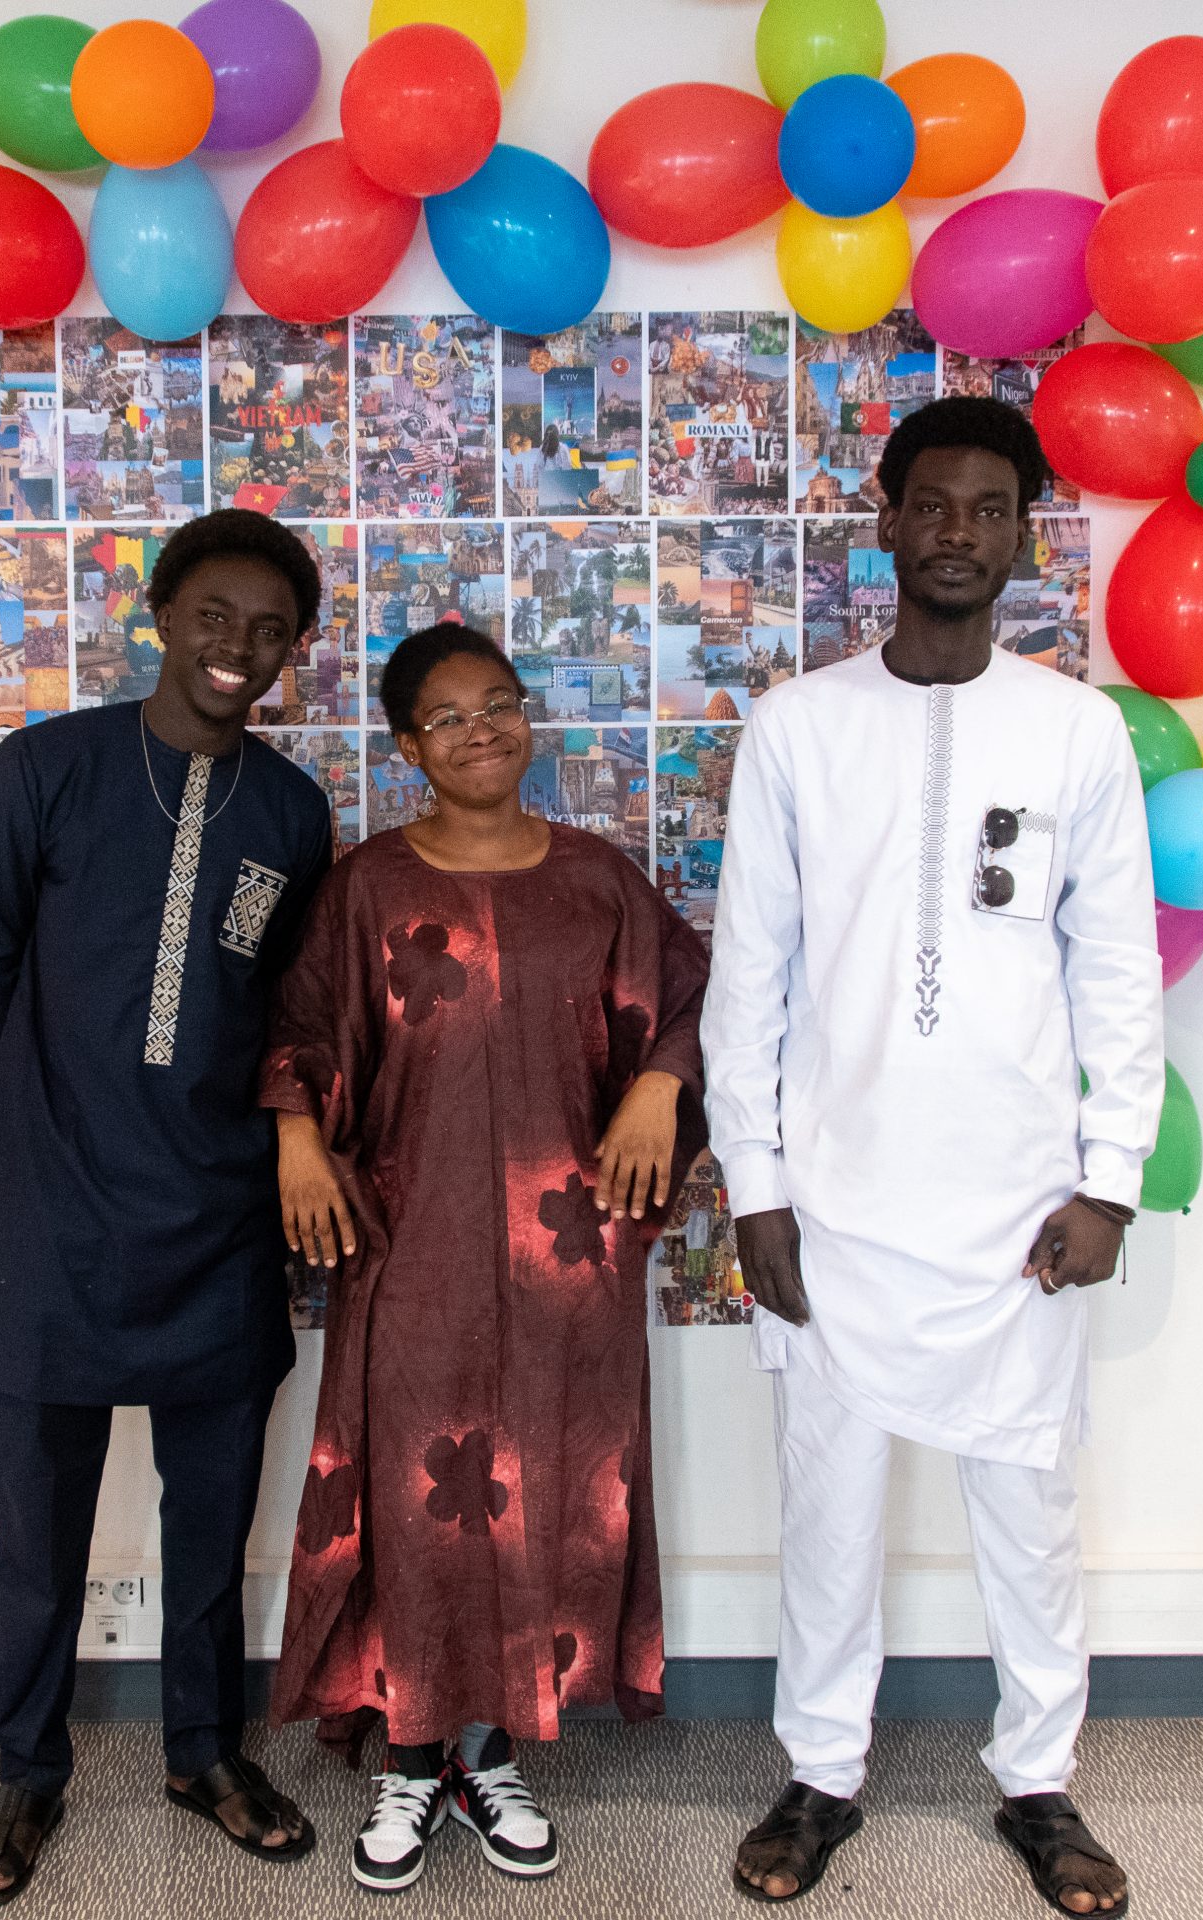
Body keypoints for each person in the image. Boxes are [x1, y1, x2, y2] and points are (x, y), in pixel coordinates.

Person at [702, 397, 1161, 1914]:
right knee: (826, 1510)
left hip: (1019, 1205)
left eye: (991, 509)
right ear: (887, 523)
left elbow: (1118, 970)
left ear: (1025, 537)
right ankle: (820, 1773)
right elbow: (749, 977)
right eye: (934, 505)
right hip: (834, 1203)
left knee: (1030, 1513)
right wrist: (757, 1188)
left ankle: (1039, 1780)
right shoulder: (798, 725)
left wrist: (1109, 1178)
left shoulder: (1075, 730)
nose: (959, 532)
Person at [262, 626, 709, 1894]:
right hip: (413, 1242)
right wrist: (296, 1141)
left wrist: (658, 1085)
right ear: (408, 747)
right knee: (421, 1488)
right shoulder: (367, 888)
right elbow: (302, 1029)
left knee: (550, 1481)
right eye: (448, 717)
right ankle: (413, 1752)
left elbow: (689, 1001)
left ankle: (493, 1747)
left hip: (571, 1253)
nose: (481, 731)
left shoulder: (597, 880)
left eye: (498, 704)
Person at [0, 509, 337, 1905]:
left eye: (271, 631)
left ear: (293, 652)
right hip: (48, 1220)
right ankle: (25, 1772)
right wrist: (69, 1118)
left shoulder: (289, 813)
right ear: (162, 615)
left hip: (216, 1225)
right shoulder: (45, 769)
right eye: (215, 616)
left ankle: (202, 1754)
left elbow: (281, 1004)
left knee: (210, 1527)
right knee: (38, 1537)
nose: (239, 648)